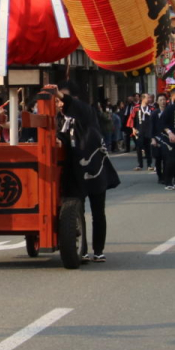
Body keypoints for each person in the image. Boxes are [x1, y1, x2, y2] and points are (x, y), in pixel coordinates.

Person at [56, 80, 108, 262]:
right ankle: (82, 250)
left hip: (93, 168)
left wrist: (61, 95)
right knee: (77, 211)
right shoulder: (60, 119)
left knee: (98, 212)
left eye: (62, 99)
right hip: (74, 170)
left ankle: (99, 249)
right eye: (58, 100)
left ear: (75, 98)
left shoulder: (87, 112)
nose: (60, 103)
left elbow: (73, 105)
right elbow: (59, 137)